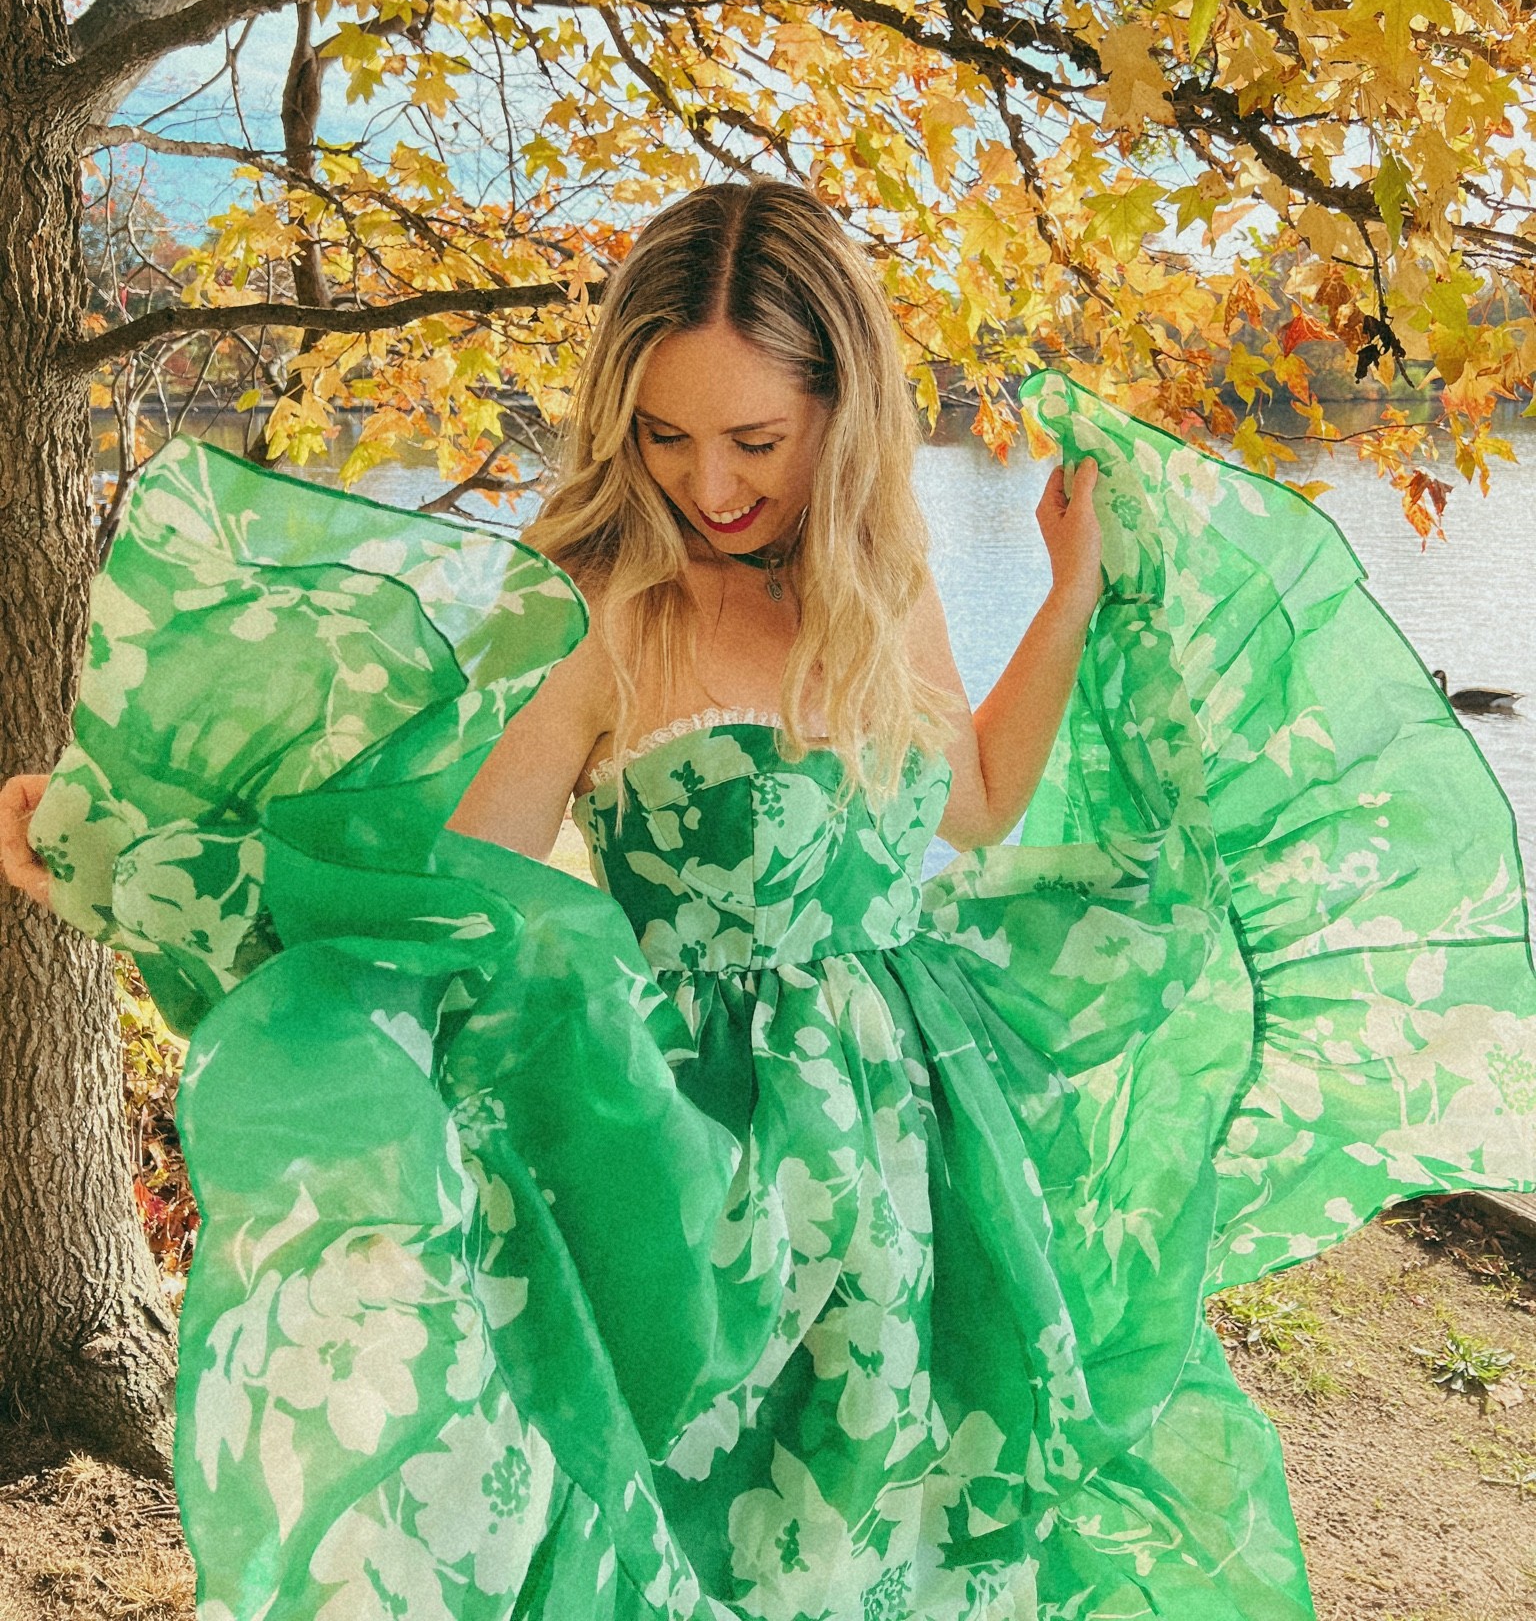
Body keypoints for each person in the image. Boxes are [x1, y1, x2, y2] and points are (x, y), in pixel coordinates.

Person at [3, 176, 1534, 1621]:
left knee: (934, 1510)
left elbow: (978, 803)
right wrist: (120, 861)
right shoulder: (605, 610)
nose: (711, 483)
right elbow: (449, 886)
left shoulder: (879, 581)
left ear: (840, 411)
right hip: (701, 1155)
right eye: (666, 438)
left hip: (922, 1127)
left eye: (753, 436)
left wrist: (1067, 597)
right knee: (727, 1525)